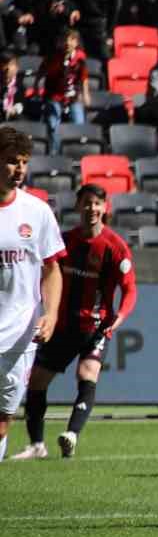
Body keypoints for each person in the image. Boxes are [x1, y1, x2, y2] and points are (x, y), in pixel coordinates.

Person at [16, 185, 135, 461]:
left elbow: (130, 289)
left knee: (87, 373)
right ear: (78, 206)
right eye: (86, 203)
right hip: (63, 326)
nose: (91, 209)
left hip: (96, 327)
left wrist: (120, 316)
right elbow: (46, 271)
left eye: (96, 204)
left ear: (105, 207)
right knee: (36, 381)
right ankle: (36, 444)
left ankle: (71, 435)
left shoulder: (115, 247)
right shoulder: (64, 241)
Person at [0, 127, 64, 463]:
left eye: (23, 162)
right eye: (11, 161)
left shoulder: (37, 212)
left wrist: (51, 313)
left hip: (19, 336)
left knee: (2, 420)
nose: (19, 169)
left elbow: (52, 269)